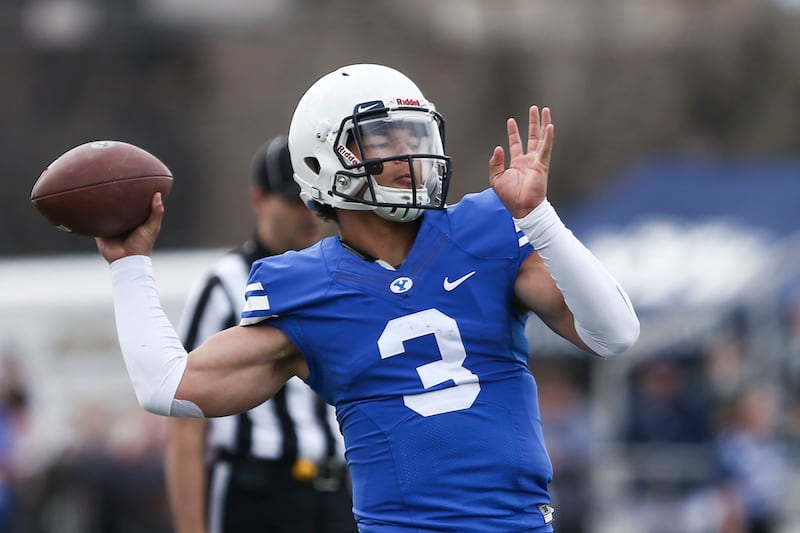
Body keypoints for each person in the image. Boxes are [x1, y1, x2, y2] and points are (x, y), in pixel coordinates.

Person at [96, 63, 640, 532]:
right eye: (383, 140)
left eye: (415, 136)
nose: (408, 155)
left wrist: (539, 217)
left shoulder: (487, 231)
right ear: (320, 162)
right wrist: (129, 266)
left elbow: (614, 333)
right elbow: (165, 385)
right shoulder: (306, 289)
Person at [164, 135, 357, 533]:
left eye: (313, 198)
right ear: (259, 201)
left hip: (336, 490)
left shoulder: (340, 276)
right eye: (292, 199)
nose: (307, 213)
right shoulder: (226, 283)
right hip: (259, 492)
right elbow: (185, 422)